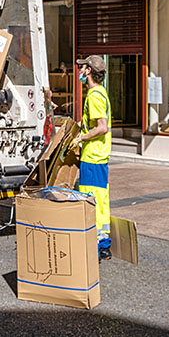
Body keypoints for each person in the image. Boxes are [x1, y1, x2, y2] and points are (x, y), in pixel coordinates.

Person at [74, 55, 112, 261]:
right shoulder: (100, 93)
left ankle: (97, 243)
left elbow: (102, 127)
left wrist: (81, 137)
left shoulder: (95, 95)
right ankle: (103, 243)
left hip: (93, 156)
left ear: (89, 71)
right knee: (100, 200)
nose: (80, 71)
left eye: (82, 67)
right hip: (99, 156)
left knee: (92, 200)